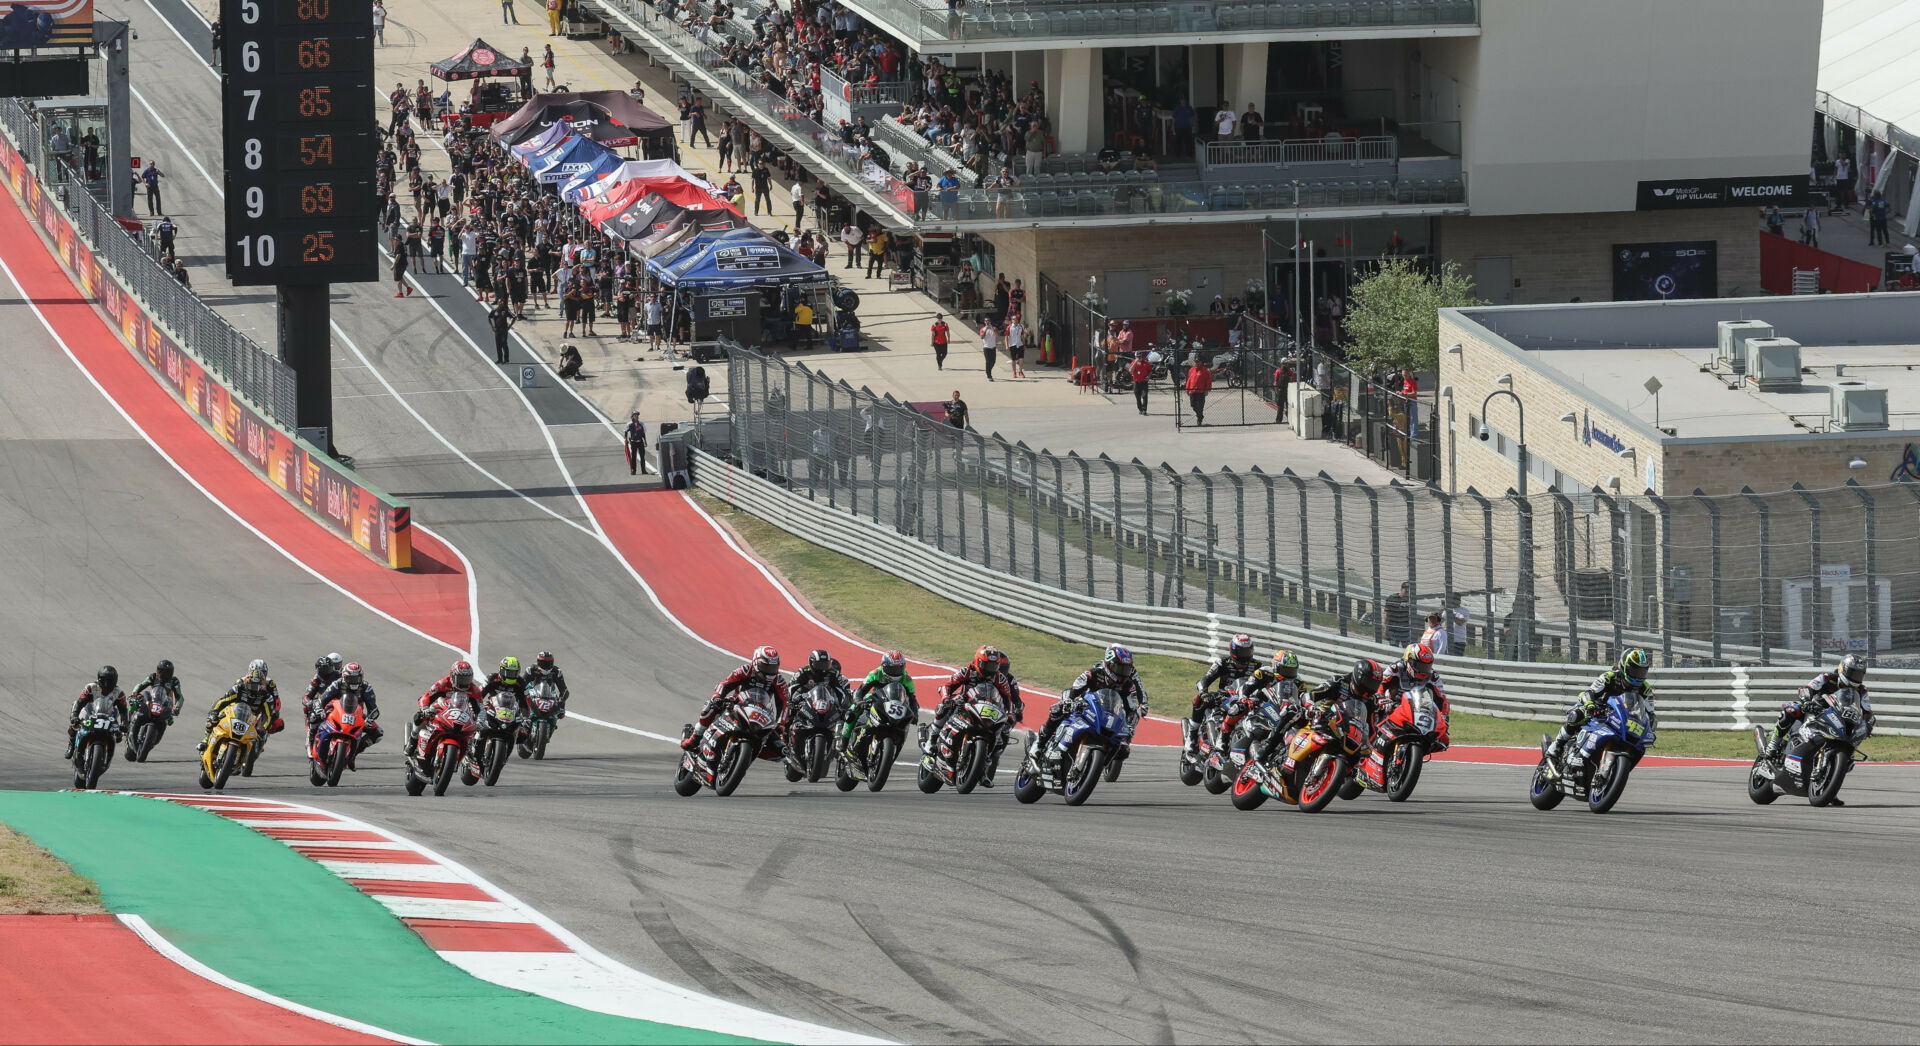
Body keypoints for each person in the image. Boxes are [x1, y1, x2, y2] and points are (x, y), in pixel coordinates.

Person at [1034, 644, 1144, 768]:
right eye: (1120, 668)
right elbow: (1074, 688)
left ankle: (1098, 765)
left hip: (1107, 716)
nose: (1123, 673)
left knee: (1123, 750)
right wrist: (1068, 700)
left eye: (1126, 670)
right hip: (1084, 708)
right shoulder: (1095, 672)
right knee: (1058, 710)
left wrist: (1129, 731)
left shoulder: (1128, 685)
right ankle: (1039, 745)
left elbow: (1133, 710)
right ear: (1109, 664)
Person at [927, 646, 1023, 784]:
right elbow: (947, 685)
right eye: (987, 665)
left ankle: (983, 767)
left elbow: (1008, 699)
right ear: (978, 662)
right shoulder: (968, 671)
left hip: (988, 710)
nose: (990, 669)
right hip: (964, 704)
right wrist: (946, 698)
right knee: (944, 708)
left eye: (993, 665)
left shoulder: (1000, 678)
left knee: (1002, 734)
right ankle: (932, 739)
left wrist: (1010, 715)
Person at [1762, 654, 1872, 768]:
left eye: (1859, 674)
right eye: (1853, 673)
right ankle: (1772, 745)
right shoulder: (1827, 678)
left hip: (1838, 720)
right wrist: (1806, 700)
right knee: (1791, 709)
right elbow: (1809, 688)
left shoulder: (1862, 691)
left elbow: (1867, 711)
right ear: (1842, 669)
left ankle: (1844, 758)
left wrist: (1868, 724)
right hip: (1815, 711)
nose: (1856, 678)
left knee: (1853, 735)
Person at [1544, 649, 1654, 763]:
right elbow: (1589, 693)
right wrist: (1590, 705)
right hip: (1598, 710)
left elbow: (1650, 713)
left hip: (1620, 718)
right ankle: (1557, 745)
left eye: (1642, 672)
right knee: (1578, 715)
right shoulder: (1609, 677)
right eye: (1635, 671)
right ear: (1624, 666)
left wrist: (1649, 725)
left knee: (1638, 743)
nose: (1638, 676)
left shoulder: (1645, 689)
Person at [680, 646, 790, 753]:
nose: (770, 671)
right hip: (738, 704)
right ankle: (694, 738)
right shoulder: (746, 670)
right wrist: (717, 697)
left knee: (780, 746)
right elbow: (725, 684)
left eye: (773, 667)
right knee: (710, 706)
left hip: (760, 712)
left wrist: (781, 724)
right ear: (756, 663)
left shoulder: (779, 680)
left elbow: (785, 703)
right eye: (766, 667)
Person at [1219, 650, 1301, 752]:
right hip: (1257, 700)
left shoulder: (1298, 681)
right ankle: (1222, 740)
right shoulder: (1264, 672)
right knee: (1238, 707)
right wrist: (1244, 698)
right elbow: (1247, 687)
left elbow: (1301, 698)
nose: (1289, 674)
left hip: (1278, 708)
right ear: (1276, 666)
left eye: (1292, 671)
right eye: (1286, 670)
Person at [200, 659, 283, 753]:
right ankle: (206, 739)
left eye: (263, 672)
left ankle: (258, 743)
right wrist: (215, 712)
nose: (260, 673)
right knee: (215, 716)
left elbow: (276, 702)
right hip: (237, 709)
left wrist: (274, 713)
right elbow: (226, 698)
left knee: (276, 722)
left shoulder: (269, 688)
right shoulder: (241, 683)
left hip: (256, 713)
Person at [842, 650, 915, 754]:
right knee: (853, 710)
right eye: (891, 669)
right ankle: (844, 739)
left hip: (896, 705)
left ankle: (896, 746)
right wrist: (858, 701)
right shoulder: (875, 674)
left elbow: (912, 699)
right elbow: (860, 691)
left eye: (898, 668)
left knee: (906, 721)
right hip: (876, 699)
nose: (895, 672)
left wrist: (914, 713)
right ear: (883, 666)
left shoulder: (907, 679)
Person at [311, 662, 383, 750]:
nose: (354, 681)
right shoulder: (337, 684)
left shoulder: (366, 687)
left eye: (357, 678)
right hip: (334, 711)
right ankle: (311, 743)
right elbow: (322, 699)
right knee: (314, 717)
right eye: (351, 678)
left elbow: (373, 708)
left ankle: (356, 749)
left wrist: (369, 719)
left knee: (378, 733)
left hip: (356, 715)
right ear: (344, 677)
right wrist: (319, 709)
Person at [1192, 633, 1258, 726]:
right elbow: (1205, 679)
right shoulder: (1222, 662)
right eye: (1242, 652)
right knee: (1200, 700)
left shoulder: (1257, 666)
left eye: (1248, 651)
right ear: (1234, 650)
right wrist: (1204, 693)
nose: (1245, 655)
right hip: (1224, 697)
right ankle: (1193, 732)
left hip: (1245, 699)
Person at [65, 666, 127, 759]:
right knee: (74, 723)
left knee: (119, 736)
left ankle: (107, 752)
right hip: (89, 712)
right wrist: (74, 716)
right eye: (105, 681)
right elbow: (80, 702)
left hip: (108, 715)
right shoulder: (91, 687)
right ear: (99, 679)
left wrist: (124, 723)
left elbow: (123, 710)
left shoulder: (119, 692)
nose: (107, 684)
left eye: (110, 681)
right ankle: (72, 743)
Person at [301, 652, 345, 723]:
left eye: (328, 669)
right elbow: (306, 696)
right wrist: (308, 702)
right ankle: (311, 731)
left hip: (338, 701)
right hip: (321, 702)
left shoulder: (340, 675)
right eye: (323, 670)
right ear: (317, 669)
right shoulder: (316, 679)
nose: (326, 673)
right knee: (313, 717)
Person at [1185, 357, 1212, 425]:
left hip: (1201, 392)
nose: (1196, 363)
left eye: (1198, 362)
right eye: (1196, 362)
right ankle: (1200, 416)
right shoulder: (1191, 370)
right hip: (1192, 391)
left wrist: (1207, 390)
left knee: (1200, 407)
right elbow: (1189, 380)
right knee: (1193, 405)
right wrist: (1187, 389)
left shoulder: (1205, 371)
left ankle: (1199, 420)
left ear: (1201, 362)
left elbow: (1208, 381)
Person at [488, 300, 516, 364]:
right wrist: (492, 326)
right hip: (497, 330)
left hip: (504, 330)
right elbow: (489, 317)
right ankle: (499, 359)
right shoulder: (494, 311)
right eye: (500, 302)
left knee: (504, 343)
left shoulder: (506, 311)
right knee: (498, 345)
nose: (501, 303)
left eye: (502, 302)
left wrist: (510, 326)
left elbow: (514, 317)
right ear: (498, 303)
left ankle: (506, 359)